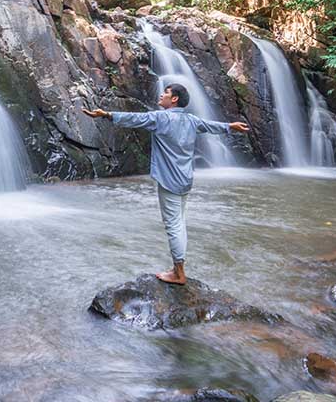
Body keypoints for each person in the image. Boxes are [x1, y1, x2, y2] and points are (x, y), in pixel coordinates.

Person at [83, 83, 249, 285]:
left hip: (168, 180)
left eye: (166, 93)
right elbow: (209, 126)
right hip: (185, 179)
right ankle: (177, 267)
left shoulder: (160, 118)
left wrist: (106, 114)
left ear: (174, 99)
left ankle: (179, 273)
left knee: (173, 226)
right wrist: (230, 127)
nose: (161, 95)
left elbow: (134, 119)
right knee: (180, 223)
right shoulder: (191, 120)